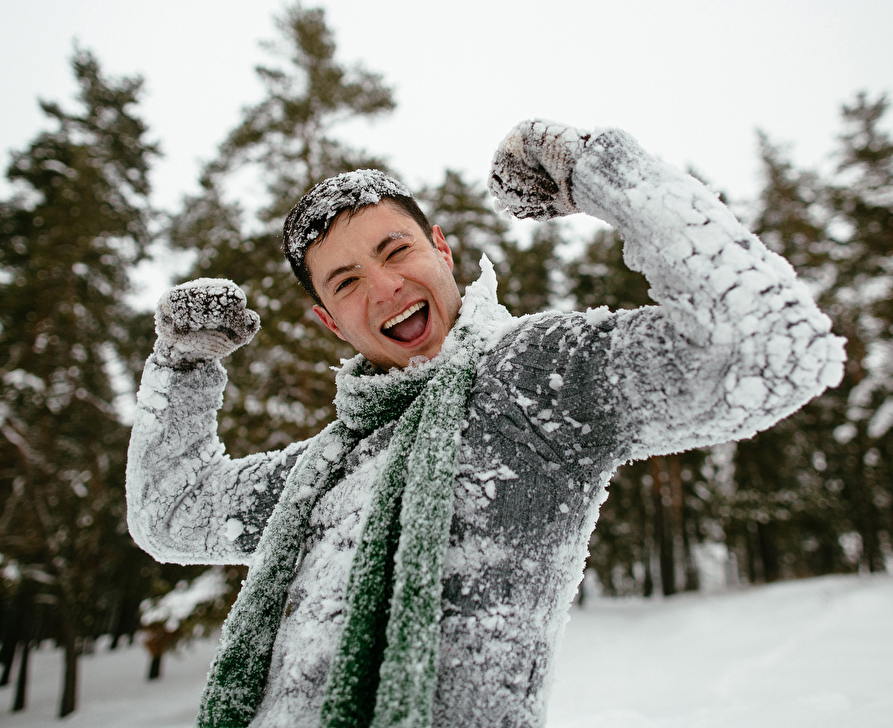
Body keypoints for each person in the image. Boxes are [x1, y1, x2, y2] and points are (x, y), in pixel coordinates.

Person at [126, 120, 845, 728]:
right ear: (328, 321)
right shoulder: (325, 467)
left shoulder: (535, 380)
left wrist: (595, 171)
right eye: (345, 282)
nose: (384, 287)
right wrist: (183, 368)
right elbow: (173, 512)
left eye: (395, 249)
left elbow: (773, 348)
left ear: (442, 247)